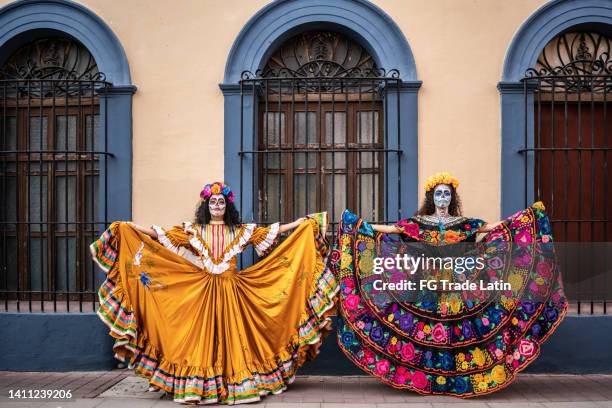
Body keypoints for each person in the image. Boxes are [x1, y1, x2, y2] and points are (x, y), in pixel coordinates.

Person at [90, 182, 337, 405]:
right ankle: (200, 386)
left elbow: (272, 231)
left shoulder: (240, 231)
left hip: (233, 291)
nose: (217, 206)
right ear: (206, 206)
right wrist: (131, 227)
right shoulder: (193, 230)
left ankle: (238, 383)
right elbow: (160, 234)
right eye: (212, 202)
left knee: (236, 337)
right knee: (200, 338)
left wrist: (299, 224)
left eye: (221, 202)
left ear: (227, 206)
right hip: (203, 292)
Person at [329, 172, 567, 397]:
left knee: (458, 329)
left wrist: (525, 219)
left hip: (460, 284)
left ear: (453, 198)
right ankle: (426, 378)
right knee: (429, 329)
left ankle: (458, 379)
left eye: (447, 194)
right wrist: (358, 226)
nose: (443, 198)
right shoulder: (418, 222)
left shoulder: (464, 224)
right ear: (431, 198)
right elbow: (391, 229)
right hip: (426, 284)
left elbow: (494, 227)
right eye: (438, 194)